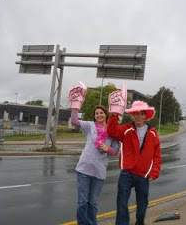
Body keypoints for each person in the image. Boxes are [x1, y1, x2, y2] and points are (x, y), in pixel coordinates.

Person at [107, 85, 161, 225]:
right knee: (122, 204)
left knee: (142, 206)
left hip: (143, 176)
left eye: (142, 114)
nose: (139, 116)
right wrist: (115, 113)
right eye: (136, 113)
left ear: (145, 116)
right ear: (133, 115)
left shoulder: (153, 133)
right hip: (127, 174)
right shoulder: (126, 129)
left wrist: (154, 172)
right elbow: (112, 131)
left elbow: (157, 155)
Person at [69, 81, 120, 225]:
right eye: (96, 113)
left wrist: (108, 149)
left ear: (106, 115)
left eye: (101, 113)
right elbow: (74, 121)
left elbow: (116, 151)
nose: (99, 115)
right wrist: (75, 105)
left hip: (99, 172)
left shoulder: (112, 132)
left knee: (93, 203)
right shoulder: (89, 126)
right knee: (82, 202)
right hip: (84, 169)